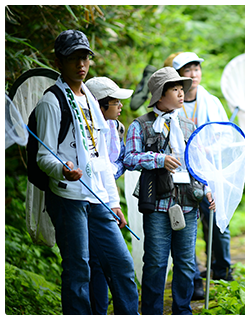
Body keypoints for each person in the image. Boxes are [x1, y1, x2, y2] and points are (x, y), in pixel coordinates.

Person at [34, 30, 139, 314]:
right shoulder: (51, 102)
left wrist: (114, 201)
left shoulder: (92, 101)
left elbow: (101, 157)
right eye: (73, 58)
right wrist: (62, 169)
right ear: (59, 61)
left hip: (99, 198)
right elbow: (44, 156)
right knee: (78, 269)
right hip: (68, 198)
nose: (81, 64)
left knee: (121, 263)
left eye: (85, 58)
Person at [124, 67, 216, 315]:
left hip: (188, 201)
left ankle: (182, 311)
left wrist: (207, 189)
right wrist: (159, 159)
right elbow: (129, 159)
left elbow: (198, 163)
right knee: (155, 263)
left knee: (186, 264)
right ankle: (152, 312)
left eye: (180, 89)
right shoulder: (140, 125)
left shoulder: (187, 124)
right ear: (159, 95)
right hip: (156, 203)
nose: (180, 93)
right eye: (174, 89)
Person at [169, 52, 233, 299]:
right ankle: (193, 276)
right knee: (185, 225)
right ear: (179, 76)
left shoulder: (212, 102)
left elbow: (227, 135)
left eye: (196, 69)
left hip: (209, 172)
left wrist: (210, 149)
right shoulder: (172, 102)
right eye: (188, 71)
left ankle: (222, 269)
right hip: (180, 175)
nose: (193, 75)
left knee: (217, 220)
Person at [85, 76, 133, 314]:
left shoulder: (114, 128)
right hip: (91, 201)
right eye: (115, 102)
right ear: (100, 105)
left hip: (107, 199)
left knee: (101, 262)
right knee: (103, 264)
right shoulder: (88, 132)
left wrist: (114, 203)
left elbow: (115, 164)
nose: (120, 106)